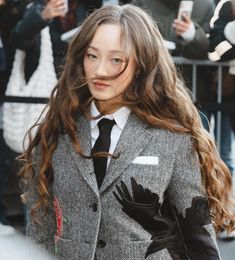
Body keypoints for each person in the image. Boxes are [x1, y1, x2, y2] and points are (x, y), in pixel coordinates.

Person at [19, 4, 234, 259]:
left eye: (116, 59)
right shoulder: (56, 130)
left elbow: (196, 234)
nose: (100, 71)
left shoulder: (172, 136)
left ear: (141, 64)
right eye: (92, 56)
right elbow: (40, 231)